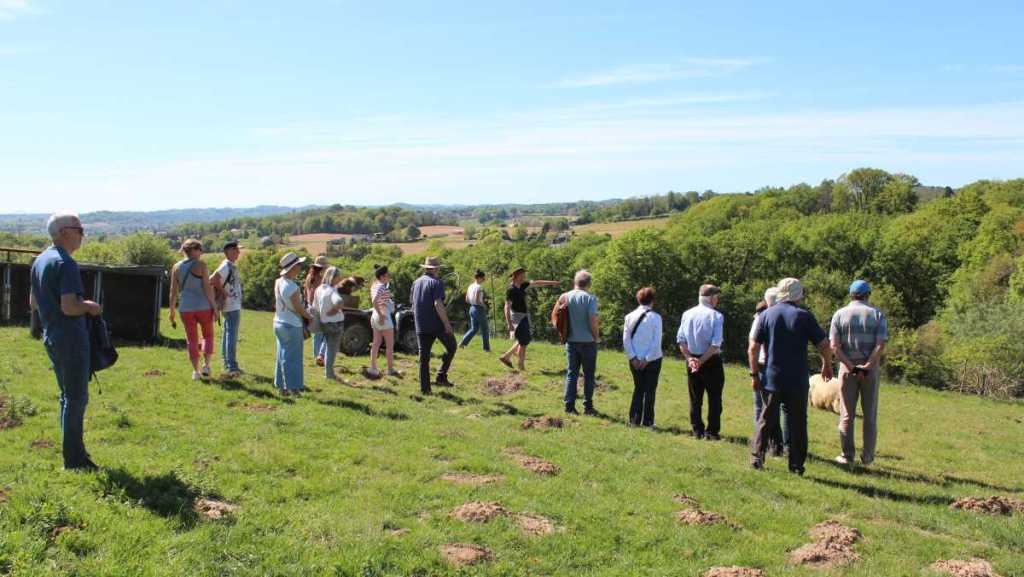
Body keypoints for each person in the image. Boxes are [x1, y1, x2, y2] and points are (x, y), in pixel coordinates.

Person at [29, 212, 103, 470]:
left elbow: (33, 302)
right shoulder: (65, 263)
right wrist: (91, 306)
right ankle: (75, 460)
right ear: (64, 232)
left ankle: (73, 452)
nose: (83, 233)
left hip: (52, 336)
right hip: (71, 339)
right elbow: (70, 307)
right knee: (76, 399)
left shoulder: (40, 260)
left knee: (66, 397)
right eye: (79, 229)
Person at [749, 278, 834, 475]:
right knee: (797, 423)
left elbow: (752, 348)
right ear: (798, 295)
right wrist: (827, 365)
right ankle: (796, 465)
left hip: (771, 377)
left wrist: (754, 374)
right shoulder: (804, 316)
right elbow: (823, 345)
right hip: (797, 379)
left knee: (766, 419)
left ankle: (756, 458)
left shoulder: (767, 314)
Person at [830, 280, 888, 467]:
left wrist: (852, 366)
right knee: (870, 415)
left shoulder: (839, 315)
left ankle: (847, 456)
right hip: (870, 373)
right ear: (868, 294)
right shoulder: (877, 315)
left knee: (847, 414)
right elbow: (880, 345)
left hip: (847, 372)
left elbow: (835, 347)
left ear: (851, 295)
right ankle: (868, 457)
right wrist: (867, 365)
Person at [676, 284, 726, 440]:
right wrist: (701, 360)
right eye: (716, 297)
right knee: (715, 398)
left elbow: (681, 340)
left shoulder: (687, 314)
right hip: (710, 360)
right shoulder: (716, 316)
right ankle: (712, 432)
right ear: (711, 298)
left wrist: (691, 359)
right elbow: (716, 343)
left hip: (692, 359)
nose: (717, 300)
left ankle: (697, 430)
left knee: (695, 398)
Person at [168, 239, 220, 381]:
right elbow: (208, 289)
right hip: (203, 307)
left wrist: (171, 310)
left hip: (185, 308)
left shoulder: (176, 267)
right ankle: (206, 366)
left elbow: (173, 291)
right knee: (208, 336)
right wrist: (215, 308)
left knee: (191, 339)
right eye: (200, 249)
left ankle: (195, 372)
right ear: (194, 250)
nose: (202, 252)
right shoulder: (201, 265)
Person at [750, 287, 788, 455]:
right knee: (775, 408)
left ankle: (764, 445)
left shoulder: (762, 318)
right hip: (778, 365)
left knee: (763, 407)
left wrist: (754, 372)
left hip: (764, 365)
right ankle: (778, 445)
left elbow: (752, 347)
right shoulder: (782, 316)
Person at [410, 256, 456, 394]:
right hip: (436, 325)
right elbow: (438, 304)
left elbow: (412, 304)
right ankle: (441, 376)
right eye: (438, 268)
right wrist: (447, 324)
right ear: (435, 269)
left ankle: (425, 390)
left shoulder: (416, 282)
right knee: (452, 346)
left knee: (424, 358)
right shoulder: (436, 283)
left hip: (420, 325)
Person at [499, 267, 560, 371]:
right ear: (517, 275)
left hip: (524, 316)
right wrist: (509, 323)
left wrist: (552, 282)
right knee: (524, 340)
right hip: (517, 317)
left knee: (523, 340)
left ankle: (509, 358)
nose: (524, 276)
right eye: (523, 274)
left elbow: (537, 283)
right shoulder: (511, 289)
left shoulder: (522, 285)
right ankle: (517, 363)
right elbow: (507, 307)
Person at [274, 252, 314, 395]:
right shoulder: (292, 287)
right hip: (291, 325)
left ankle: (281, 386)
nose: (300, 267)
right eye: (298, 265)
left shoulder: (279, 282)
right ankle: (292, 388)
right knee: (293, 358)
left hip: (278, 322)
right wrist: (309, 317)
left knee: (282, 356)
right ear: (292, 267)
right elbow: (298, 307)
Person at [623, 287, 663, 428]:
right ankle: (648, 421)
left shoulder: (629, 317)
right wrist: (647, 359)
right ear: (652, 301)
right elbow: (656, 342)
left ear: (638, 299)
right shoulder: (656, 318)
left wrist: (633, 357)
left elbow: (626, 340)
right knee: (650, 390)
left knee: (638, 388)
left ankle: (634, 419)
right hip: (653, 359)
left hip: (634, 358)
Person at [562, 270, 599, 415]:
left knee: (572, 374)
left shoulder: (565, 296)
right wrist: (596, 336)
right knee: (589, 375)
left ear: (575, 281)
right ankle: (587, 406)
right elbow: (593, 320)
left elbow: (555, 317)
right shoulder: (590, 298)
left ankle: (569, 406)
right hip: (588, 342)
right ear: (589, 283)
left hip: (571, 341)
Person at [211, 241, 243, 377]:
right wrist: (224, 293)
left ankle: (227, 362)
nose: (238, 253)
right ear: (229, 251)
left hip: (231, 304)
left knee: (227, 333)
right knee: (231, 335)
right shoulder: (226, 265)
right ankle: (231, 366)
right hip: (231, 305)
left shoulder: (229, 265)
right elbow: (213, 279)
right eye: (236, 250)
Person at [315, 266, 347, 381]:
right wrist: (333, 311)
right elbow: (339, 302)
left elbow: (315, 306)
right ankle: (329, 374)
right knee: (332, 349)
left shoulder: (319, 289)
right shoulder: (332, 290)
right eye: (338, 277)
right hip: (335, 324)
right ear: (333, 278)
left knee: (328, 347)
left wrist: (323, 315)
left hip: (324, 323)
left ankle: (328, 372)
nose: (339, 279)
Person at [368, 264, 399, 378]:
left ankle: (373, 368)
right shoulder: (381, 286)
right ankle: (390, 369)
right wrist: (382, 315)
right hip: (383, 315)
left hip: (375, 316)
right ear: (382, 276)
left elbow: (377, 299)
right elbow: (375, 301)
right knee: (390, 345)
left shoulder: (374, 285)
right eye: (387, 275)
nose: (389, 277)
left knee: (376, 343)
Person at [459, 269, 490, 352]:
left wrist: (473, 303)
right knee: (485, 329)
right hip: (478, 309)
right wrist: (484, 306)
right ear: (479, 278)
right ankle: (486, 348)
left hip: (471, 308)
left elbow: (467, 300)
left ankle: (462, 343)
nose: (484, 280)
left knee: (474, 328)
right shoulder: (479, 287)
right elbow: (478, 301)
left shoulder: (470, 286)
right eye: (483, 278)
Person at [305, 255, 328, 366]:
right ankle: (320, 356)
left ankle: (316, 356)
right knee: (324, 333)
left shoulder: (309, 277)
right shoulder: (320, 279)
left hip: (310, 306)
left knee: (317, 334)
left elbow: (306, 292)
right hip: (319, 307)